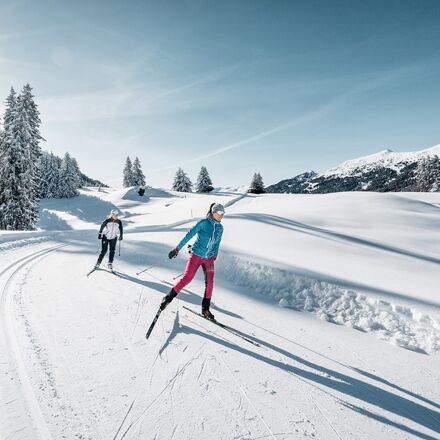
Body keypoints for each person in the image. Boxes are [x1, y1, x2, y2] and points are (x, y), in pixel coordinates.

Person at [161, 203, 225, 319]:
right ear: (214, 212)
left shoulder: (220, 228)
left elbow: (217, 243)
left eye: (223, 213)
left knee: (210, 283)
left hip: (209, 258)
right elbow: (189, 235)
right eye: (220, 213)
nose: (222, 215)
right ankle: (167, 298)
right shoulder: (204, 223)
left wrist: (214, 255)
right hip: (196, 255)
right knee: (187, 279)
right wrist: (177, 249)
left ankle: (205, 309)